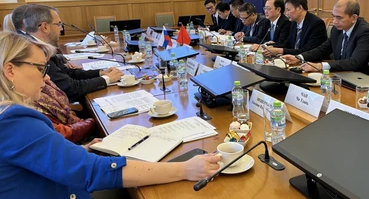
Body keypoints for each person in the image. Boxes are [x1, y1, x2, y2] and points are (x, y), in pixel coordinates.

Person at [0, 32, 221, 198]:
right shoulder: (13, 122)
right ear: (10, 70)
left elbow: (37, 158)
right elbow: (91, 172)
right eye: (41, 69)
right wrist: (185, 168)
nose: (47, 79)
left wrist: (77, 151)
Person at [21, 4, 123, 102]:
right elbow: (71, 88)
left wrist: (100, 73)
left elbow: (67, 73)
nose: (61, 29)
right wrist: (107, 79)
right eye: (58, 24)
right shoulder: (34, 51)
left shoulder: (39, 46)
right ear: (45, 27)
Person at [283, 0, 369, 74]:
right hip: (341, 74)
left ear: (354, 18)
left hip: (364, 79)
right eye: (333, 16)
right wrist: (299, 57)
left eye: (339, 17)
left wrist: (321, 66)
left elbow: (355, 62)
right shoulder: (337, 29)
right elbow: (323, 49)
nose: (334, 21)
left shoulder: (366, 32)